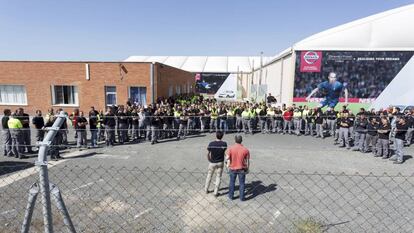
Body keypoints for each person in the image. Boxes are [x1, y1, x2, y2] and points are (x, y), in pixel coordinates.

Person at [226, 135, 250, 201]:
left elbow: (227, 158)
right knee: (242, 183)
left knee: (232, 182)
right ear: (241, 140)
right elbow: (247, 161)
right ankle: (242, 197)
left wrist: (227, 165)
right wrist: (247, 168)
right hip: (242, 168)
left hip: (233, 168)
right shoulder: (245, 150)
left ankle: (231, 196)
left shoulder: (230, 148)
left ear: (235, 140)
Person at [204, 131, 227, 197]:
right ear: (222, 136)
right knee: (218, 177)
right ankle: (215, 192)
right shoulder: (224, 144)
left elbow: (208, 153)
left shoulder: (211, 143)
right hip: (220, 162)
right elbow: (224, 152)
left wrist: (209, 159)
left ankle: (206, 189)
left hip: (212, 162)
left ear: (216, 135)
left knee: (209, 176)